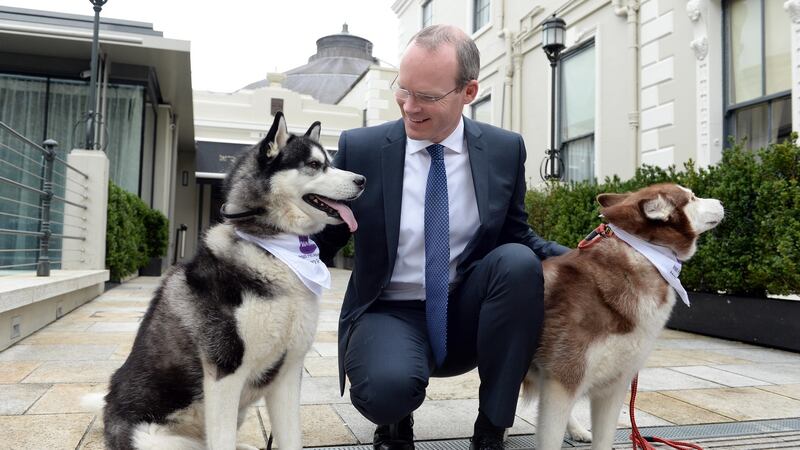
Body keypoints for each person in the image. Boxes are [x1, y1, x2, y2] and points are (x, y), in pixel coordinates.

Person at [314, 24, 569, 450]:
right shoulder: (362, 148)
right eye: (404, 89)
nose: (409, 107)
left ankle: (491, 430)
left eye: (427, 97)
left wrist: (594, 262)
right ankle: (394, 423)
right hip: (389, 310)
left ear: (468, 92)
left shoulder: (505, 150)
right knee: (386, 391)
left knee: (517, 263)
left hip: (467, 310)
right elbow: (323, 238)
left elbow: (518, 235)